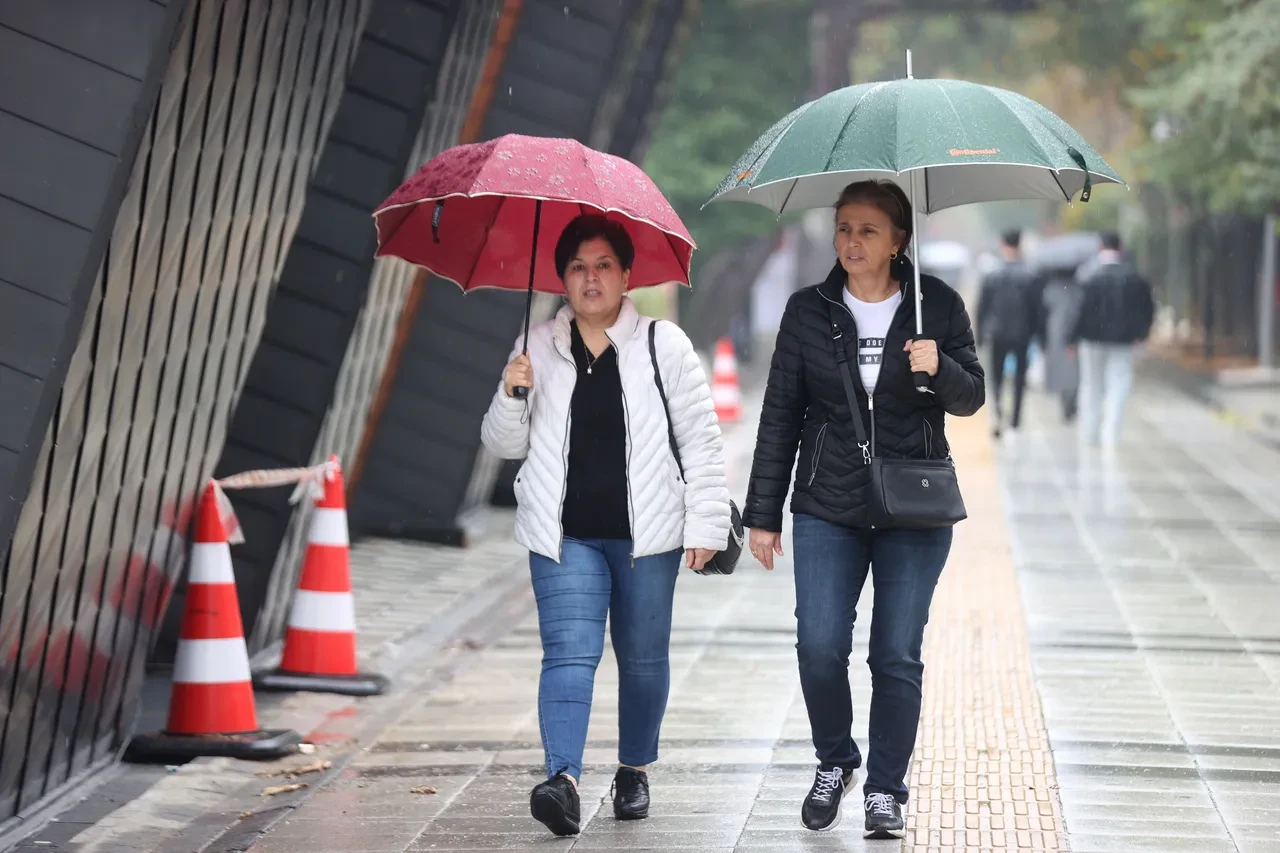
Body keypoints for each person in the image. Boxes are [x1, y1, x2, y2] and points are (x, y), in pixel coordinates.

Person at [743, 180, 984, 839]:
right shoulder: (807, 311)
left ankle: (885, 790)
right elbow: (779, 417)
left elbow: (972, 398)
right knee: (819, 644)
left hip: (914, 508)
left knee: (894, 654)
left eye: (868, 230)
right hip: (829, 503)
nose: (852, 241)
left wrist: (941, 367)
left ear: (899, 239)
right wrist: (761, 513)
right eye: (844, 227)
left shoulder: (937, 305)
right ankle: (835, 759)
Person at [480, 214, 731, 837]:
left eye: (602, 267)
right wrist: (513, 394)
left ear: (625, 275)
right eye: (577, 268)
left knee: (643, 659)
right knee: (568, 654)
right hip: (564, 535)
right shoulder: (536, 346)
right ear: (562, 278)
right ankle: (561, 779)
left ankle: (633, 769)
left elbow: (700, 442)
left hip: (650, 536)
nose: (590, 279)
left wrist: (707, 524)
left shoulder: (663, 344)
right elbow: (502, 445)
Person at [1069, 232, 1155, 448]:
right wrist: (1142, 334)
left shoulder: (1087, 275)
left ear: (1100, 247)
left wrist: (1071, 338)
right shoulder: (1134, 277)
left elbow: (1077, 310)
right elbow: (1147, 308)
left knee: (1091, 384)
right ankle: (1111, 434)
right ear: (1121, 247)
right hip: (1123, 340)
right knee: (1119, 383)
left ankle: (1090, 432)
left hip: (1091, 339)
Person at [976, 229, 1040, 436]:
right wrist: (1038, 333)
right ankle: (1015, 419)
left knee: (997, 376)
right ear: (1019, 244)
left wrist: (979, 336)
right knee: (1020, 377)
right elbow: (1037, 309)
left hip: (997, 333)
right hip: (1023, 333)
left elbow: (982, 308)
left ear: (1003, 244)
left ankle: (997, 411)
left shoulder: (992, 274)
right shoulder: (1030, 275)